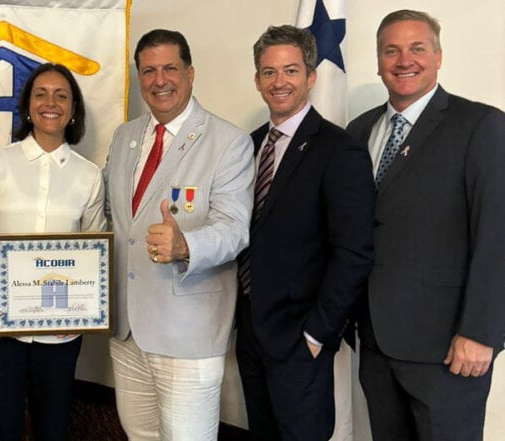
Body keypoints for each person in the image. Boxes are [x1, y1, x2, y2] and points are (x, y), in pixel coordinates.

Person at [346, 10, 505, 441]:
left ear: (438, 56)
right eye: (391, 50)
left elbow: (497, 235)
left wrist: (481, 332)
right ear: (378, 61)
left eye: (417, 48)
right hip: (375, 341)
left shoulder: (480, 125)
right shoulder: (359, 131)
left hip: (448, 347)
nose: (404, 60)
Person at [103, 29, 254, 440]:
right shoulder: (125, 137)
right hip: (127, 330)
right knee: (140, 435)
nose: (159, 80)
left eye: (170, 68)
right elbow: (111, 220)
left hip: (188, 332)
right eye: (148, 71)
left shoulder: (228, 142)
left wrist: (186, 244)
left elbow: (234, 228)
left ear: (190, 73)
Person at [235, 25, 375, 441]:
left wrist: (318, 335)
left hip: (300, 338)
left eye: (291, 70)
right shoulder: (249, 146)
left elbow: (354, 252)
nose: (279, 82)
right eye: (268, 72)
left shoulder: (338, 149)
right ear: (258, 80)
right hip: (250, 332)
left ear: (311, 77)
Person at [0, 63, 106, 441]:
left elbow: (93, 250)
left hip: (60, 329)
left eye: (61, 95)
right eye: (40, 94)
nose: (51, 103)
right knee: (2, 423)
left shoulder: (89, 175)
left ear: (73, 109)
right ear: (27, 106)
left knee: (53, 423)